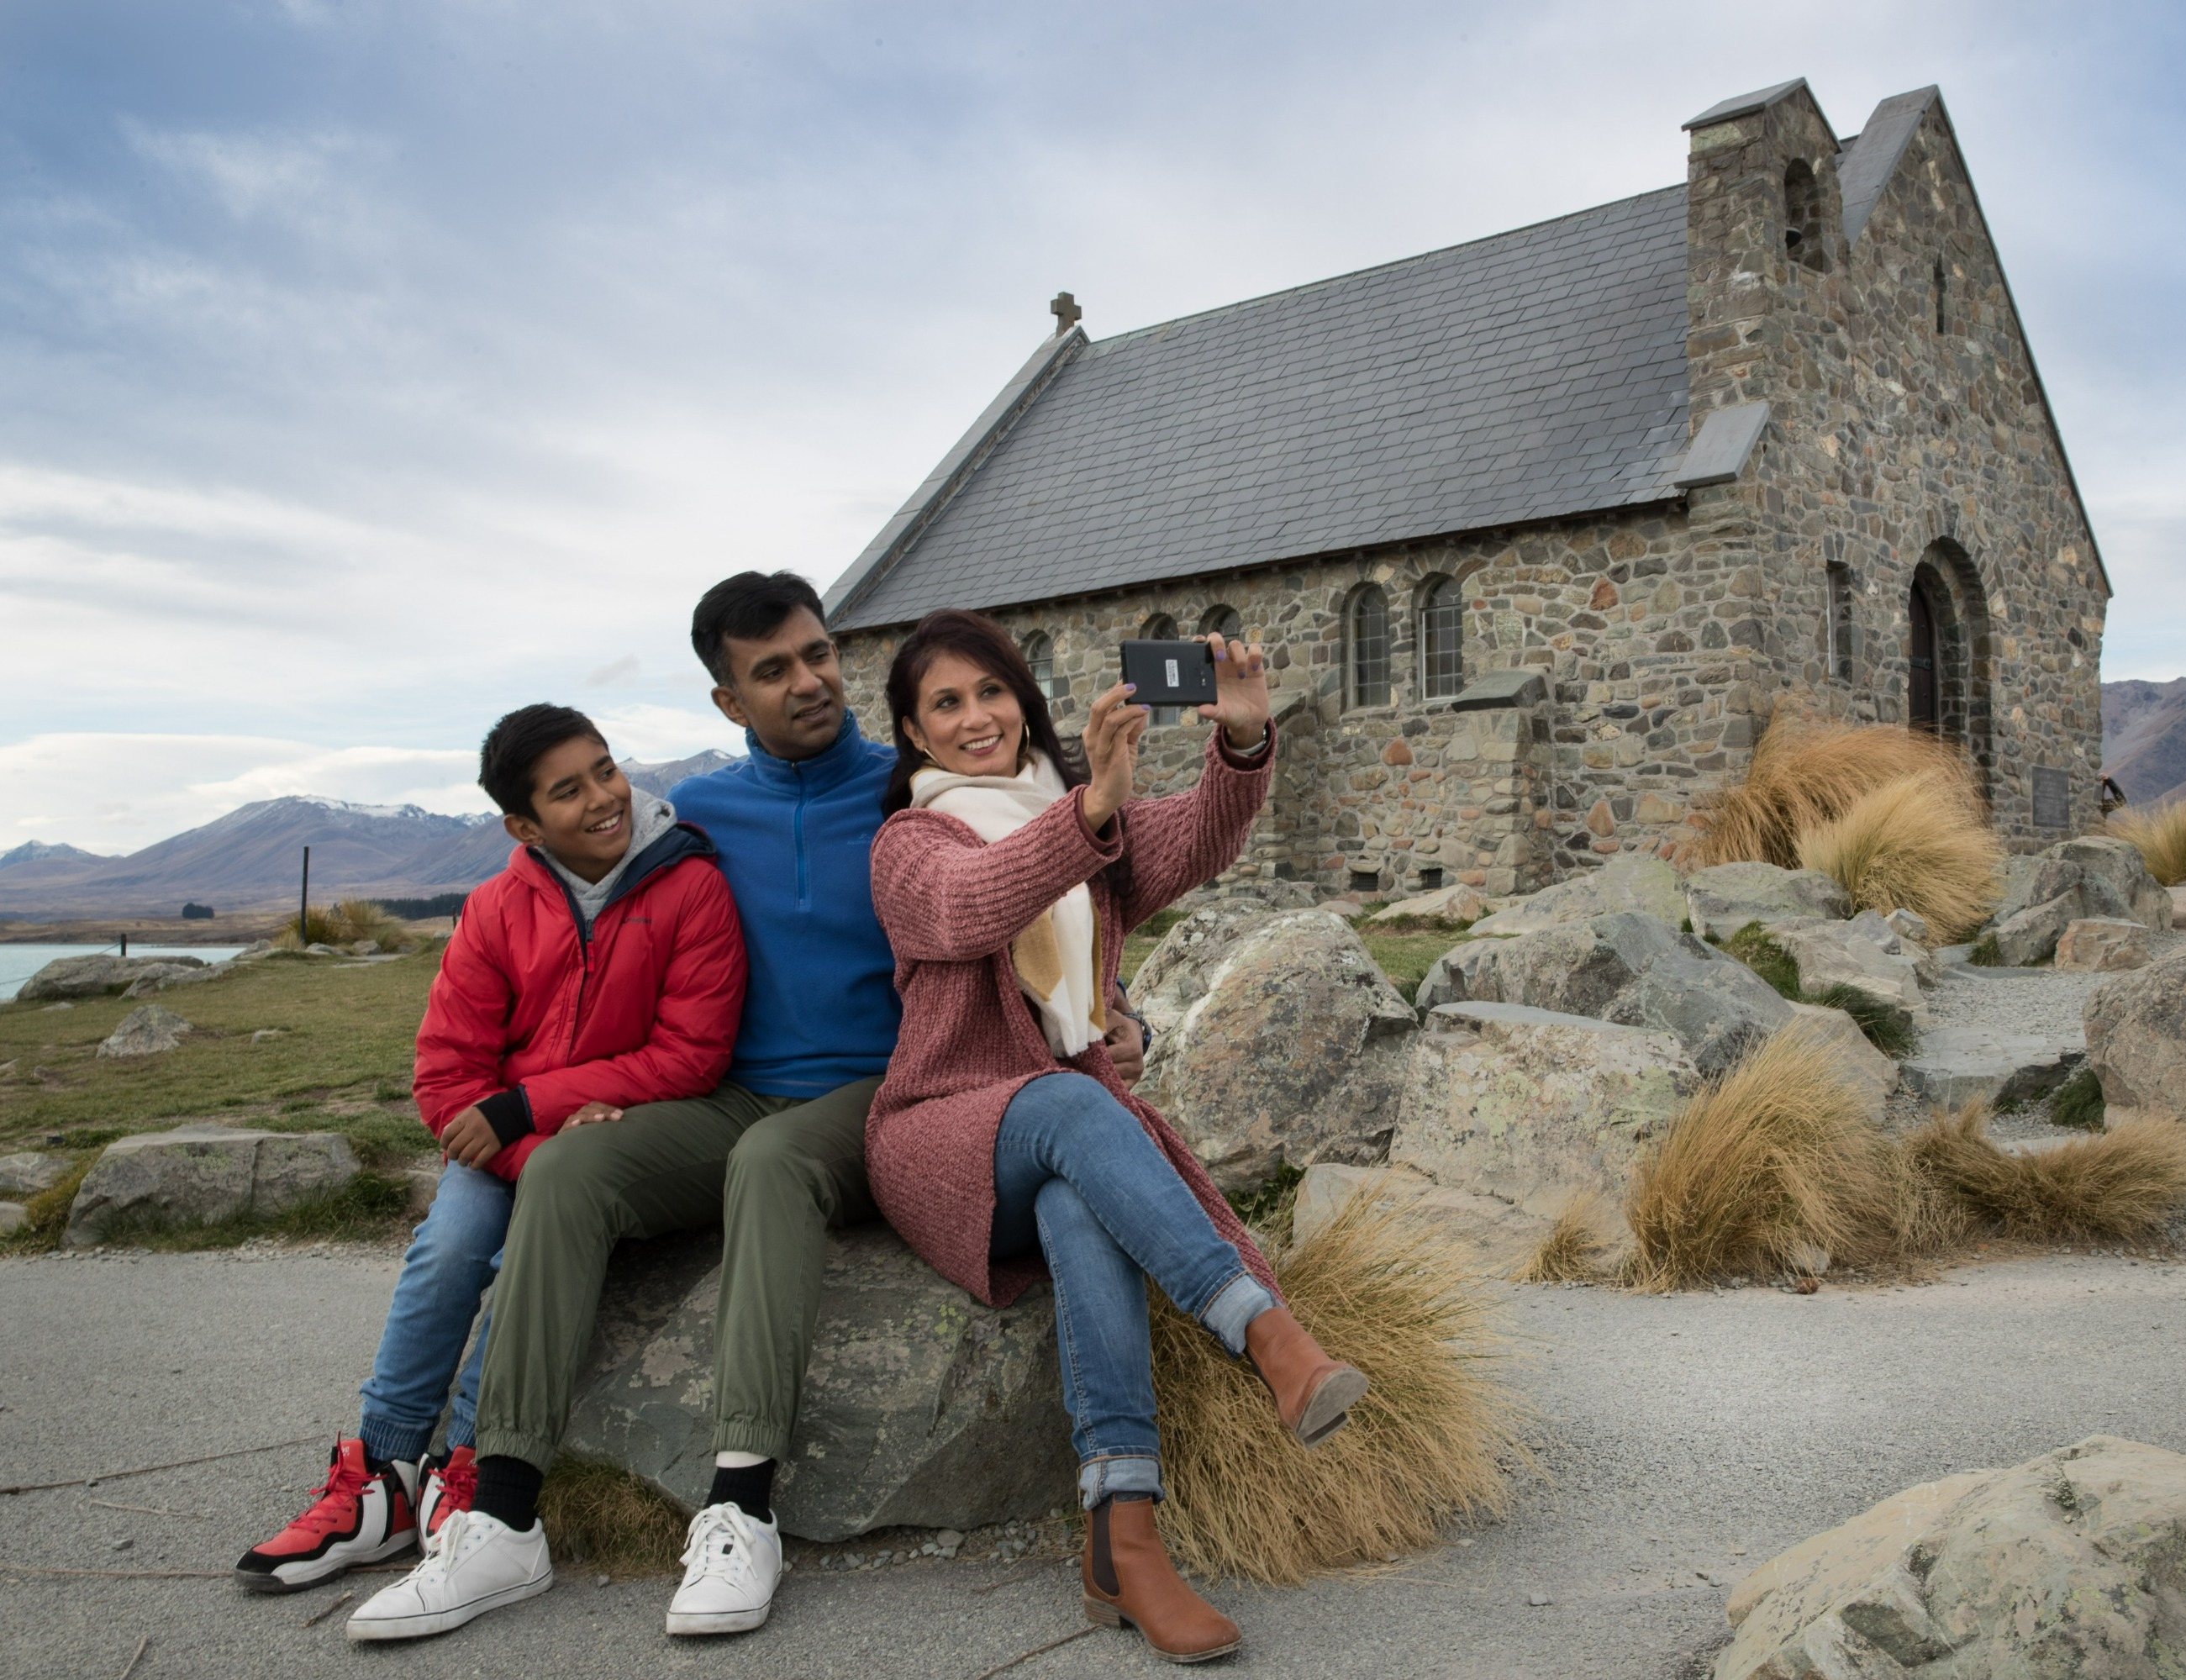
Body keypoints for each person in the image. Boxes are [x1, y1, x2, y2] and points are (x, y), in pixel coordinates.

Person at [347, 572, 1149, 1642]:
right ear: (729, 701)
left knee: (775, 1157)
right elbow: (559, 895)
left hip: (894, 1095)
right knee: (569, 1170)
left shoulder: (911, 787)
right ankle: (500, 1512)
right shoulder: (701, 814)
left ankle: (742, 1506)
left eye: (818, 654)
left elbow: (1041, 893)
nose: (808, 680)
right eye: (772, 670)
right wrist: (562, 1099)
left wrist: (1116, 1004)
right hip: (728, 1093)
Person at [866, 610, 1364, 1665]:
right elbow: (973, 908)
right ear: (912, 733)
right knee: (1068, 1103)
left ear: (1022, 699)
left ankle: (1123, 1534)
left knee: (1073, 1197)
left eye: (990, 692)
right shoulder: (910, 845)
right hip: (941, 1137)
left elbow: (1192, 842)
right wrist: (1094, 802)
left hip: (1055, 1138)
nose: (975, 717)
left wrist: (1237, 743)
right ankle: (1263, 1334)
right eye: (945, 704)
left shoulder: (1067, 812)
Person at [238, 704, 744, 1595]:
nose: (602, 797)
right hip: (514, 1148)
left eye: (604, 769)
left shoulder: (690, 884)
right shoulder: (497, 907)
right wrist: (521, 1143)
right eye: (567, 789)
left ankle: (469, 1456)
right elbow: (444, 1076)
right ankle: (383, 1474)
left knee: (524, 1263)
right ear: (523, 824)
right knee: (446, 1250)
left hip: (599, 1136)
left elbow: (692, 1053)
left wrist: (525, 1107)